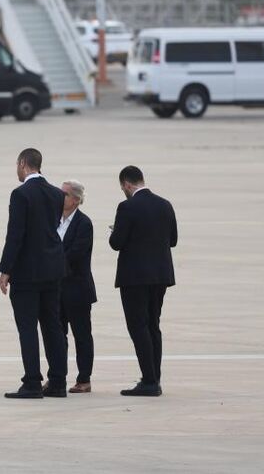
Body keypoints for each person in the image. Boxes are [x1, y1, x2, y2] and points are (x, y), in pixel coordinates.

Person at [0, 148, 68, 399]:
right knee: (53, 326)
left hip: (28, 272)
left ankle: (32, 382)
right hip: (53, 269)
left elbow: (16, 235)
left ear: (23, 163)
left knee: (27, 327)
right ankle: (58, 381)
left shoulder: (20, 195)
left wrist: (5, 269)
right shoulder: (57, 194)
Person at [109, 165, 178, 397]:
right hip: (160, 275)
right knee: (153, 325)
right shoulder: (164, 204)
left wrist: (115, 231)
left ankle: (149, 380)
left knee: (138, 326)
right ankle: (154, 377)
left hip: (135, 277)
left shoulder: (127, 207)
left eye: (123, 188)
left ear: (127, 184)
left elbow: (117, 242)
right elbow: (173, 240)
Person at [58, 180, 96, 394]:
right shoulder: (52, 219)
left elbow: (75, 254)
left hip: (77, 289)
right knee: (57, 335)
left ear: (75, 199)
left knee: (81, 335)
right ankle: (57, 376)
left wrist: (50, 262)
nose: (59, 197)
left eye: (63, 194)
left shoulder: (84, 223)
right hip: (55, 288)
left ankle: (84, 378)